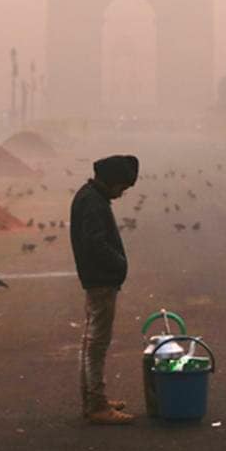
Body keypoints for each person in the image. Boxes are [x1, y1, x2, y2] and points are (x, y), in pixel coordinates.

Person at [70, 154, 139, 425]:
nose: (121, 193)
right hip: (100, 281)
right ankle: (96, 404)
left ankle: (94, 398)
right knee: (96, 344)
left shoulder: (91, 197)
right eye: (121, 187)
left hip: (99, 278)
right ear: (111, 181)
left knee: (92, 342)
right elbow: (95, 244)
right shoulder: (92, 203)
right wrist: (118, 263)